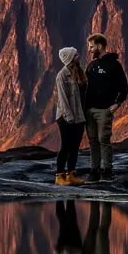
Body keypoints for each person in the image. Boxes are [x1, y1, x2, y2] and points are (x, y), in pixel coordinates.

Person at [84, 33, 128, 182]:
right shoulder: (91, 66)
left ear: (99, 46)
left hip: (104, 110)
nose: (89, 50)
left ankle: (107, 171)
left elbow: (124, 86)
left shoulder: (114, 65)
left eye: (91, 46)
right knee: (93, 141)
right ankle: (94, 171)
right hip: (89, 110)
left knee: (104, 139)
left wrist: (117, 103)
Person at [53, 46, 88, 186]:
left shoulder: (79, 72)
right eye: (75, 55)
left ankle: (71, 174)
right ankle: (59, 176)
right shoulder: (62, 76)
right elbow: (63, 99)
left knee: (75, 146)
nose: (78, 57)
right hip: (66, 117)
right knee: (65, 146)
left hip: (79, 116)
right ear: (69, 58)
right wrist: (69, 118)